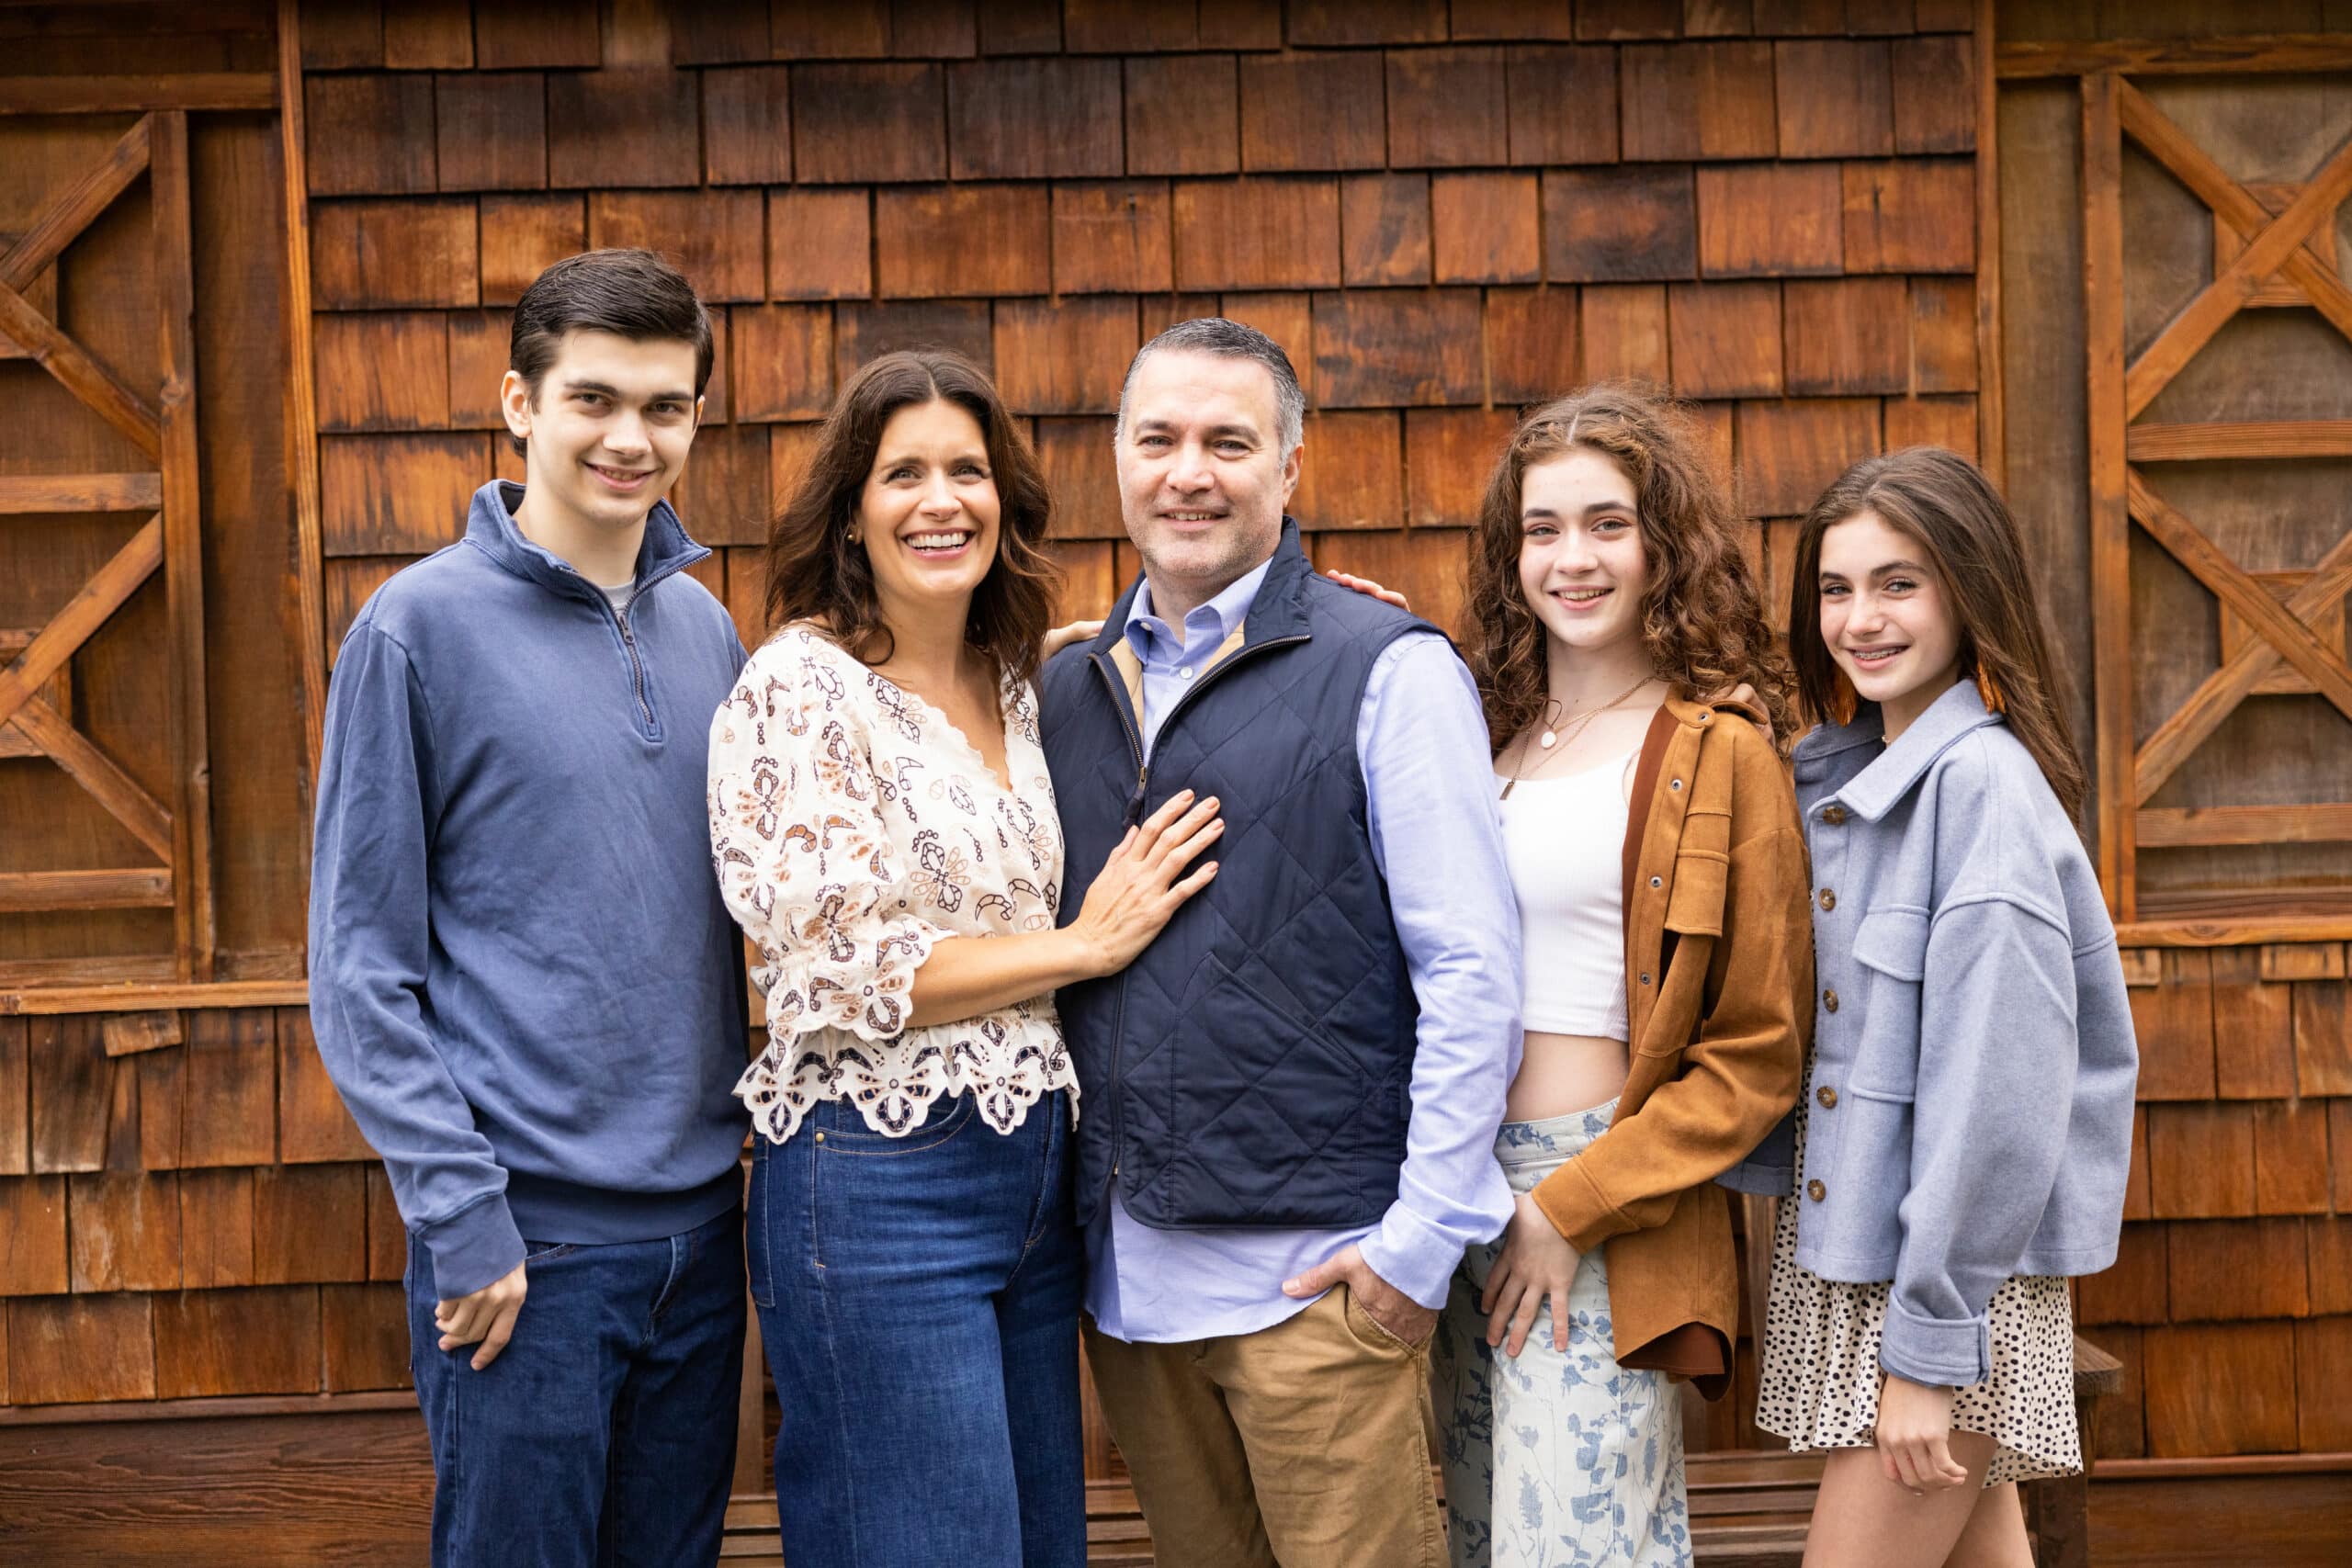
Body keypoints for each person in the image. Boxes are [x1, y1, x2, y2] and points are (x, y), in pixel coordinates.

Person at [708, 348, 1225, 1568]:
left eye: (968, 471)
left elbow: (1178, 638)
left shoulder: (1025, 683)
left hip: (1036, 1171)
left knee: (1041, 1541)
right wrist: (1083, 945)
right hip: (878, 1172)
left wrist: (1293, 606)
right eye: (904, 474)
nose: (942, 500)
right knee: (933, 1542)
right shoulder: (801, 688)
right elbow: (825, 969)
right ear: (850, 510)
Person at [1035, 318, 1521, 1568]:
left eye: (1228, 441)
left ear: (1290, 470)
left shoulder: (1391, 671)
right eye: (1160, 438)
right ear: (1119, 460)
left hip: (1321, 1293)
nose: (1189, 470)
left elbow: (1473, 972)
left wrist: (1417, 1250)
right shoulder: (1068, 689)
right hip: (1130, 1300)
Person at [308, 248, 751, 1565]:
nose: (632, 438)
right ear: (520, 401)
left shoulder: (708, 630)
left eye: (666, 407)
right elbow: (358, 965)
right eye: (595, 400)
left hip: (702, 1240)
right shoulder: (414, 629)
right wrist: (462, 1213)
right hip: (527, 1251)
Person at [1726, 446, 2138, 1567]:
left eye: (1898, 584)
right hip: (1888, 1269)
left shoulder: (1980, 794)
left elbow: (1995, 1103)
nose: (1860, 619)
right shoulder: (1861, 782)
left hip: (1943, 1294)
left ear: (1969, 591)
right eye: (1834, 588)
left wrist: (1929, 1348)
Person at [1430, 387, 1812, 1568]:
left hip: (1600, 1198)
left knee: (1584, 1549)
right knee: (1478, 1539)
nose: (1572, 559)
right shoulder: (1470, 725)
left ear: (1663, 548)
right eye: (1542, 530)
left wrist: (1566, 1206)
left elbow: (1756, 1054)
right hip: (1450, 1194)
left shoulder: (1721, 751)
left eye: (1607, 524)